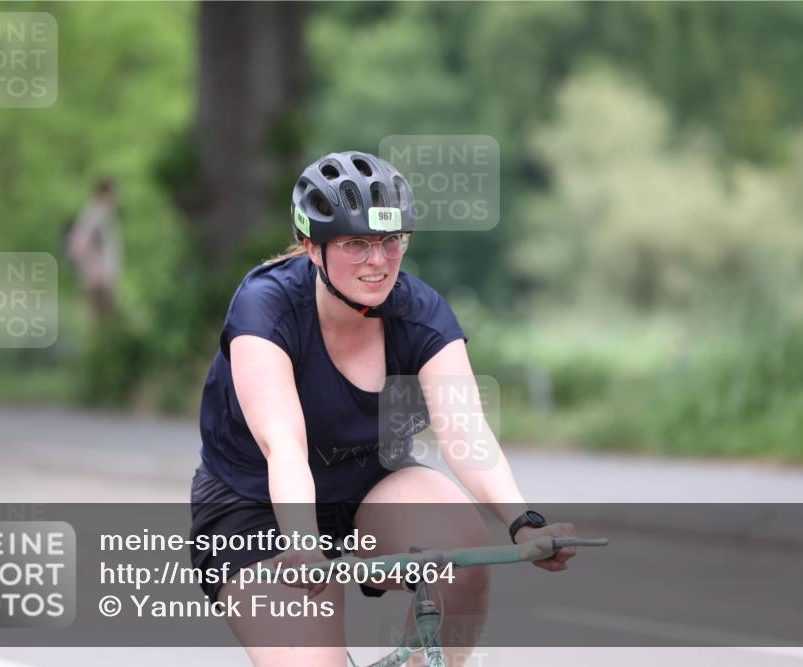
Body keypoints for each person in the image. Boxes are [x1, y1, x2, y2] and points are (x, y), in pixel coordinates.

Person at [190, 151, 576, 666]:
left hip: (371, 486)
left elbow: (465, 432)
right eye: (355, 244)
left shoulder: (421, 313)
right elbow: (283, 446)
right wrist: (305, 545)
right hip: (257, 506)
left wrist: (524, 522)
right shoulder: (265, 306)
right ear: (312, 247)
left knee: (460, 554)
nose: (378, 261)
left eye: (391, 241)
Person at [66, 179, 121, 321]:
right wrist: (98, 269)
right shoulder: (96, 213)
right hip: (99, 277)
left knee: (102, 319)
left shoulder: (98, 213)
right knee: (102, 319)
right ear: (103, 193)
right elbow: (81, 243)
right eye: (112, 193)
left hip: (100, 276)